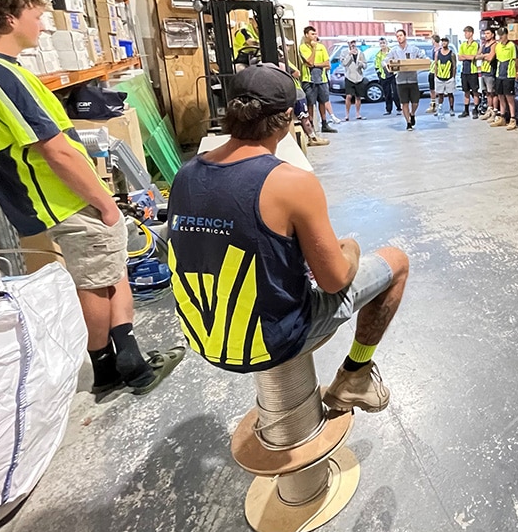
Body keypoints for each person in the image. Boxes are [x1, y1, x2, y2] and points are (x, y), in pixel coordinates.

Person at [0, 0, 182, 397]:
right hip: (65, 197)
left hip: (38, 198)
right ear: (9, 19)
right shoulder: (3, 76)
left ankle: (111, 363)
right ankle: (125, 362)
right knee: (103, 278)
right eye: (36, 16)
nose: (42, 25)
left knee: (100, 275)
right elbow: (55, 150)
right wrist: (104, 203)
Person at [168, 64, 408, 412]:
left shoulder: (186, 173)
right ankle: (355, 376)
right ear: (287, 118)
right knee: (396, 262)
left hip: (202, 337)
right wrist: (350, 249)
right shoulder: (290, 181)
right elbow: (334, 281)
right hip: (273, 340)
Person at [300, 25, 336, 134]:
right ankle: (311, 125)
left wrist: (316, 65)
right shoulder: (303, 47)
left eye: (315, 34)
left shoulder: (322, 47)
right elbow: (309, 62)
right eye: (312, 34)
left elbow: (327, 64)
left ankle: (324, 124)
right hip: (309, 80)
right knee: (311, 103)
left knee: (323, 101)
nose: (315, 36)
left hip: (322, 79)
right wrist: (314, 48)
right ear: (306, 35)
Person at [387, 29, 425, 131]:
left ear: (405, 36)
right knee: (404, 103)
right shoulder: (394, 50)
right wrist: (387, 66)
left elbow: (423, 57)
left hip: (412, 79)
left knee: (415, 102)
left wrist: (420, 62)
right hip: (401, 80)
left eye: (401, 35)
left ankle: (412, 114)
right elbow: (386, 60)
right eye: (397, 36)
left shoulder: (413, 49)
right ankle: (408, 122)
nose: (399, 38)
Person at [491, 27, 518, 130]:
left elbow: (517, 60)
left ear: (507, 35)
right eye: (499, 35)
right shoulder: (498, 46)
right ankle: (502, 117)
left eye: (502, 35)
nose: (500, 37)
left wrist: (516, 72)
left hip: (509, 75)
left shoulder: (512, 46)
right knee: (500, 97)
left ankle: (512, 119)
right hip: (499, 75)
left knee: (510, 98)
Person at [457, 25, 481, 118]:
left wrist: (465, 56)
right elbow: (459, 57)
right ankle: (466, 110)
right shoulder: (463, 44)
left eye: (466, 32)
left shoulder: (475, 44)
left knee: (475, 91)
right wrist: (467, 56)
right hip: (464, 71)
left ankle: (475, 109)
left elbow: (473, 57)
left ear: (471, 33)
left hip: (473, 71)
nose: (465, 34)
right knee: (466, 91)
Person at [342, 39, 369, 121]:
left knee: (358, 97)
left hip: (359, 77)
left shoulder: (360, 53)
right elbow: (344, 63)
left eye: (354, 42)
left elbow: (365, 65)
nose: (353, 44)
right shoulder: (344, 52)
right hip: (349, 77)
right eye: (351, 43)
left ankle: (358, 114)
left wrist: (362, 64)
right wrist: (349, 55)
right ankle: (347, 115)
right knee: (349, 96)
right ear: (348, 44)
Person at [433, 38, 457, 117]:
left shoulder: (451, 54)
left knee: (450, 94)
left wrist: (453, 77)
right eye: (442, 41)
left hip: (449, 78)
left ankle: (451, 108)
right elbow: (436, 65)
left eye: (445, 41)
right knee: (440, 95)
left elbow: (454, 66)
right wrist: (435, 76)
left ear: (448, 43)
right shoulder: (437, 53)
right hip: (440, 77)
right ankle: (439, 109)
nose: (444, 43)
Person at [478, 28, 498, 120]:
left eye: (488, 33)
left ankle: (495, 111)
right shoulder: (483, 45)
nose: (486, 35)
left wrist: (484, 56)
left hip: (491, 72)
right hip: (484, 71)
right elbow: (477, 56)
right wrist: (485, 55)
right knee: (487, 93)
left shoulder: (494, 45)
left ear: (492, 34)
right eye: (485, 33)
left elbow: (491, 58)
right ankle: (489, 110)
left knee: (493, 93)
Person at [375, 38, 398, 116]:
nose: (382, 44)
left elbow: (396, 62)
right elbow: (377, 66)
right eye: (381, 43)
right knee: (387, 93)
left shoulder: (392, 52)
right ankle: (388, 109)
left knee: (396, 92)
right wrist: (379, 75)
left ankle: (399, 108)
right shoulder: (378, 55)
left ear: (386, 43)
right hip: (384, 76)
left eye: (383, 43)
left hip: (393, 74)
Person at [426, 34, 441, 114]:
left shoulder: (440, 50)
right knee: (431, 89)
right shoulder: (433, 50)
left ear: (434, 40)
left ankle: (439, 107)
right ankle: (433, 105)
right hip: (431, 71)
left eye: (431, 40)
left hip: (438, 72)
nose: (431, 41)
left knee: (438, 90)